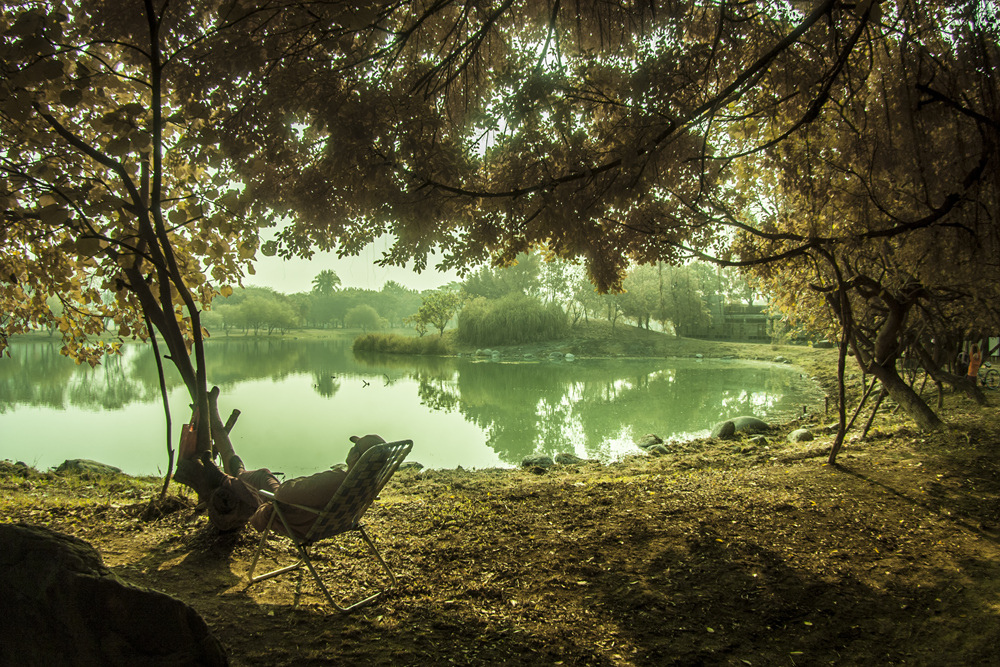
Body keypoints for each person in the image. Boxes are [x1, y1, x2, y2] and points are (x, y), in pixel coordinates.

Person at [203, 434, 387, 533]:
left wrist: (296, 482)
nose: (350, 449)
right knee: (262, 476)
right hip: (333, 522)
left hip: (295, 520)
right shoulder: (367, 484)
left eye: (353, 447)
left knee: (262, 484)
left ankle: (225, 478)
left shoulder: (336, 480)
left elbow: (284, 494)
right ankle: (237, 473)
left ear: (355, 456)